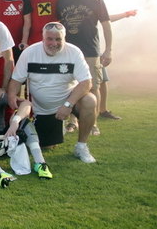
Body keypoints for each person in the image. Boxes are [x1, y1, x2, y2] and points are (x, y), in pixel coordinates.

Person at [8, 22, 97, 163]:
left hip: (67, 102)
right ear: (43, 38)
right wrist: (12, 96)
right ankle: (57, 126)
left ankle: (81, 147)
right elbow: (15, 81)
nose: (54, 43)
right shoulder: (29, 53)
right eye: (50, 39)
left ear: (64, 38)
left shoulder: (74, 52)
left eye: (58, 39)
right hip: (42, 110)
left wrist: (68, 104)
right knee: (47, 146)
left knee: (90, 100)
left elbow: (86, 82)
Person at [57, 0, 112, 136]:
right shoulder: (62, 0)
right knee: (70, 87)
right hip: (68, 52)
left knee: (93, 87)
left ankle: (92, 122)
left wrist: (108, 50)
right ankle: (73, 122)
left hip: (90, 51)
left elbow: (106, 25)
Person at [98, 9, 137, 120]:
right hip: (76, 49)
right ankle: (74, 117)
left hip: (93, 48)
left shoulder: (91, 7)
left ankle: (103, 110)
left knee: (103, 80)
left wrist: (125, 14)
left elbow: (106, 18)